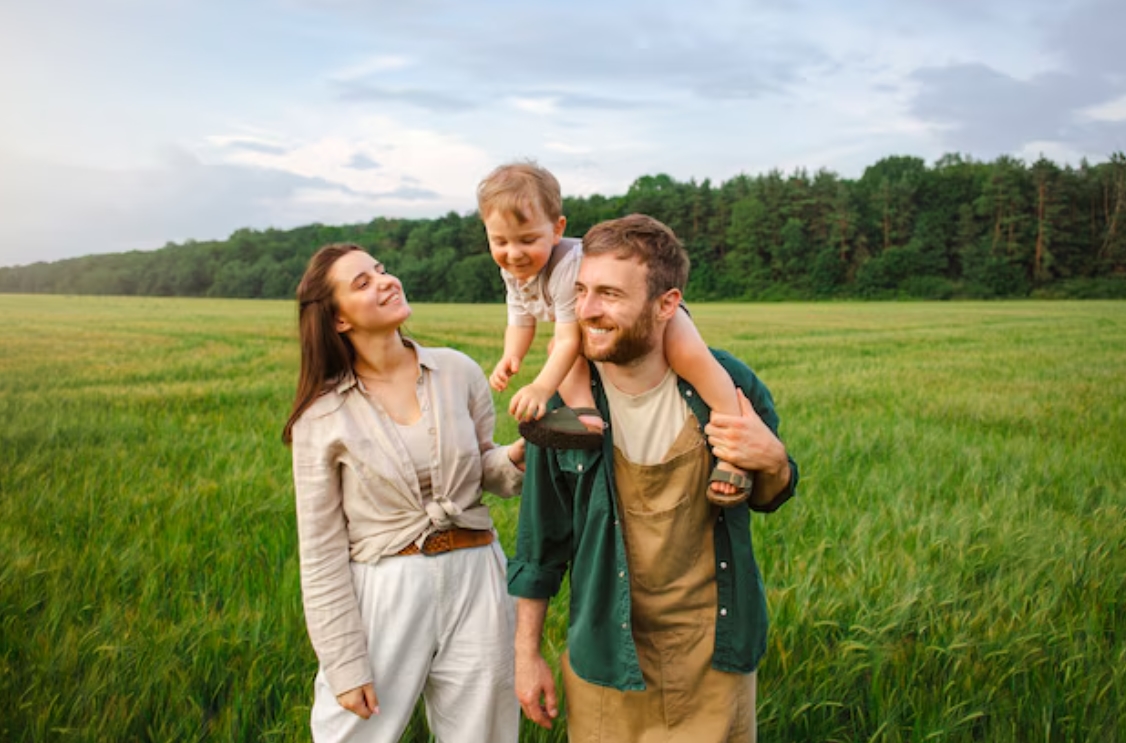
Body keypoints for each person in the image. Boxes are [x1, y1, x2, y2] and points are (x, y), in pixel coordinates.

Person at [507, 215, 800, 742]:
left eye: (610, 294)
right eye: (580, 291)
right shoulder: (563, 410)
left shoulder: (727, 384)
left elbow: (771, 493)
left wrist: (773, 461)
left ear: (668, 304)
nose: (587, 310)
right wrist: (526, 656)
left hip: (715, 652)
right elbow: (540, 541)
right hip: (606, 658)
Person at [282, 243, 525, 743]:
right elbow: (321, 550)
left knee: (485, 735)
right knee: (350, 735)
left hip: (478, 574)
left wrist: (522, 454)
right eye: (363, 283)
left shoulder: (457, 371)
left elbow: (484, 471)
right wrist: (344, 661)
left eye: (382, 270)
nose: (386, 281)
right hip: (386, 590)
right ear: (339, 321)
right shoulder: (321, 416)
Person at [477, 161, 753, 505]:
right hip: (592, 323)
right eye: (499, 241)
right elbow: (520, 318)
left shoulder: (564, 268)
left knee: (693, 360)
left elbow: (568, 340)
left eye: (528, 240)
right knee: (557, 350)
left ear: (557, 229)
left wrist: (540, 387)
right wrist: (511, 356)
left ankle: (735, 451)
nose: (513, 253)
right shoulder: (513, 269)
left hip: (654, 313)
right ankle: (586, 415)